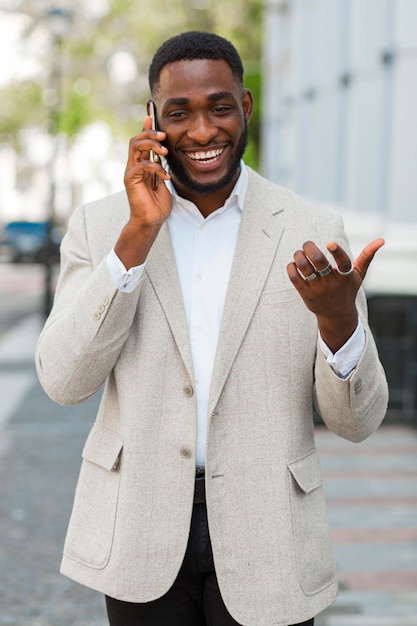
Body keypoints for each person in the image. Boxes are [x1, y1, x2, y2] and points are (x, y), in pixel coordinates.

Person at [36, 31, 388, 626]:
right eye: (179, 113)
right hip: (139, 526)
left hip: (270, 531)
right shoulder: (102, 227)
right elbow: (65, 382)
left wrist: (337, 320)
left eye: (219, 107)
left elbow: (357, 423)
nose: (202, 132)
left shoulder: (310, 227)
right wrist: (135, 239)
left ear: (245, 106)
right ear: (152, 120)